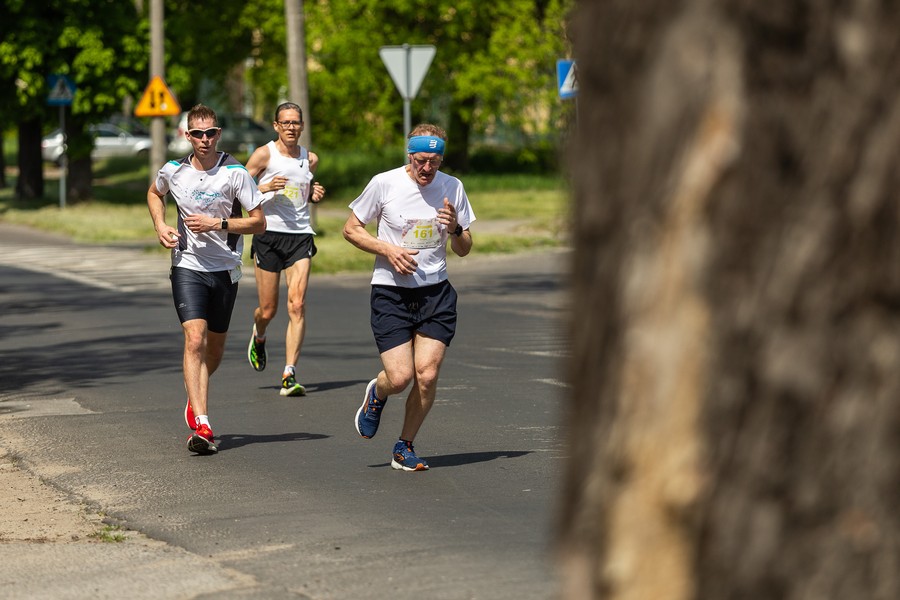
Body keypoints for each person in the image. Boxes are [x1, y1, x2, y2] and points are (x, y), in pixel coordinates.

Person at [342, 124, 475, 471]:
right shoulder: (384, 183)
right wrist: (388, 250)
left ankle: (405, 446)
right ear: (409, 155)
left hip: (436, 293)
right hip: (391, 292)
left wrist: (455, 228)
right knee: (400, 378)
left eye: (434, 161)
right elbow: (350, 229)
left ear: (441, 159)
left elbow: (464, 249)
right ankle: (378, 393)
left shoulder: (453, 187)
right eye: (420, 160)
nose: (427, 168)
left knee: (427, 375)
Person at [147, 104, 266, 455]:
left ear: (218, 134)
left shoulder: (235, 173)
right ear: (187, 135)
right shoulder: (174, 170)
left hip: (225, 269)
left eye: (210, 133)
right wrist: (161, 225)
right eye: (197, 133)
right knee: (194, 338)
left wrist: (219, 224)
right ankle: (202, 423)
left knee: (214, 349)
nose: (204, 139)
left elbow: (259, 222)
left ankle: (193, 392)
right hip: (187, 264)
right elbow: (155, 193)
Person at [244, 102, 325, 396]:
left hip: (300, 236)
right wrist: (263, 189)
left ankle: (289, 373)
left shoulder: (310, 159)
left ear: (302, 126)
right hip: (268, 234)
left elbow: (305, 188)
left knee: (298, 304)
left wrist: (313, 193)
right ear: (276, 126)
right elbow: (236, 187)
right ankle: (260, 333)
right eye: (285, 123)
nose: (291, 127)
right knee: (268, 309)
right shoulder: (265, 154)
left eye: (296, 123)